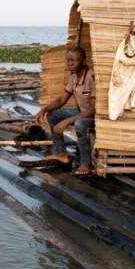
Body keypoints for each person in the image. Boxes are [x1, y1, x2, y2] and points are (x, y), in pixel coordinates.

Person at [34, 47, 96, 176]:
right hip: (80, 113)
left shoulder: (91, 77)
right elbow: (62, 99)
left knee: (80, 123)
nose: (71, 63)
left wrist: (67, 121)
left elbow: (93, 110)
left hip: (94, 117)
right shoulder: (73, 77)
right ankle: (61, 153)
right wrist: (44, 109)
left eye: (74, 60)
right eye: (69, 60)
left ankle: (86, 163)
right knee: (53, 115)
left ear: (83, 61)